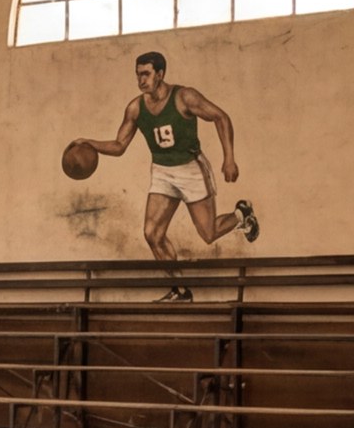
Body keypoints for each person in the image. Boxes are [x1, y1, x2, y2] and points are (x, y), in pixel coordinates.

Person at [91, 49, 259, 289]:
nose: (141, 80)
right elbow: (119, 146)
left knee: (208, 234)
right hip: (162, 171)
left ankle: (241, 215)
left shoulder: (184, 97)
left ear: (160, 74)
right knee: (152, 234)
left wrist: (229, 158)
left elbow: (221, 117)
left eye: (146, 74)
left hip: (191, 168)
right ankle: (179, 288)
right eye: (138, 75)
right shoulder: (135, 108)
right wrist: (89, 144)